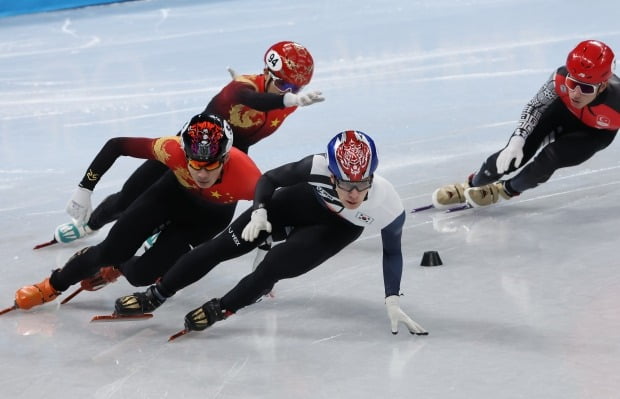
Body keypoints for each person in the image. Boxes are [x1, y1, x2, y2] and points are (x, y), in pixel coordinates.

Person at [114, 131, 428, 336]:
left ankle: (222, 307)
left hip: (335, 230)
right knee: (228, 244)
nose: (354, 194)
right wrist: (261, 209)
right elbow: (269, 179)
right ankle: (156, 295)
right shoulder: (315, 166)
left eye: (362, 185)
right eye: (345, 184)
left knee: (275, 265)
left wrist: (392, 298)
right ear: (332, 174)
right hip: (299, 203)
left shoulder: (387, 204)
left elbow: (393, 252)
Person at [54, 40, 324, 244]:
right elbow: (252, 99)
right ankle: (89, 224)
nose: (292, 93)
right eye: (286, 86)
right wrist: (287, 99)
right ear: (267, 72)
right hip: (189, 150)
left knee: (201, 216)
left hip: (226, 164)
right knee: (129, 196)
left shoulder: (288, 98)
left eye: (297, 89)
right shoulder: (246, 90)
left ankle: (160, 237)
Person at [12, 113, 262, 311]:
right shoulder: (171, 148)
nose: (202, 174)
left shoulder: (248, 177)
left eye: (211, 165)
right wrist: (85, 187)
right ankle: (53, 284)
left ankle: (120, 266)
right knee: (107, 251)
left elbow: (275, 206)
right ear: (184, 153)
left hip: (205, 221)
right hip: (168, 196)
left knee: (142, 276)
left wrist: (264, 249)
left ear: (226, 157)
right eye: (195, 164)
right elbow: (116, 145)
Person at [432, 39, 620, 209]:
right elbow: (536, 107)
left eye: (586, 88)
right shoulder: (559, 77)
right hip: (560, 115)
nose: (576, 94)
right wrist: (517, 139)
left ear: (603, 85)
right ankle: (473, 184)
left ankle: (504, 190)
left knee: (551, 157)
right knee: (514, 155)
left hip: (593, 134)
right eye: (572, 83)